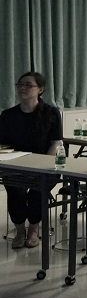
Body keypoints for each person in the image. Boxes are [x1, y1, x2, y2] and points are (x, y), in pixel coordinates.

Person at [0, 72, 63, 249]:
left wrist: (42, 167)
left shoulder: (51, 113)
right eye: (20, 84)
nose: (22, 88)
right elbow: (3, 146)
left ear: (40, 89)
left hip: (45, 166)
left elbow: (56, 143)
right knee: (16, 192)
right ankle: (20, 231)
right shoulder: (8, 115)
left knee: (37, 192)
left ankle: (33, 230)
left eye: (28, 85)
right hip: (16, 166)